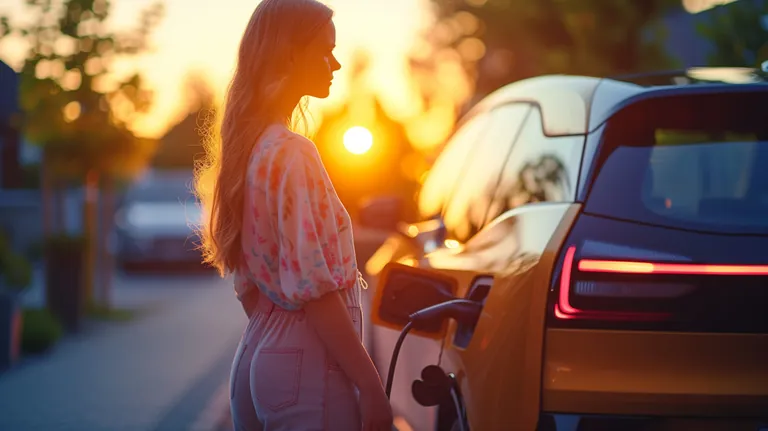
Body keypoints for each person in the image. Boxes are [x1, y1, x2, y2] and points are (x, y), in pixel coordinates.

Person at [193, 0, 394, 430]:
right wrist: (370, 383)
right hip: (306, 362)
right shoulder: (291, 152)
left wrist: (279, 347)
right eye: (325, 50)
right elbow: (314, 288)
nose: (336, 63)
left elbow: (249, 288)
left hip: (256, 352)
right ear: (288, 53)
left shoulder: (250, 150)